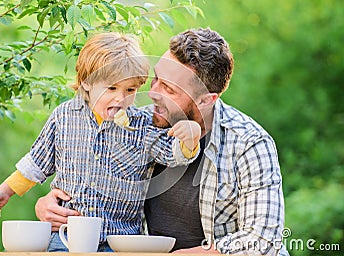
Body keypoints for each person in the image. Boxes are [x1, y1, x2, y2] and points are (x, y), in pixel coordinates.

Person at [34, 28, 289, 255]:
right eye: (155, 78)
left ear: (205, 101)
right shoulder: (138, 125)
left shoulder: (248, 144)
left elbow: (262, 239)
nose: (153, 92)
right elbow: (88, 174)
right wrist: (50, 206)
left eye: (169, 89)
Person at [0, 32, 201, 252]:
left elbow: (173, 154)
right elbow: (36, 163)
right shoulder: (64, 116)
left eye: (130, 89)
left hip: (120, 241)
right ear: (86, 82)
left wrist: (190, 136)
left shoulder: (142, 125)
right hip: (65, 237)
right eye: (111, 88)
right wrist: (4, 191)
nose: (120, 98)